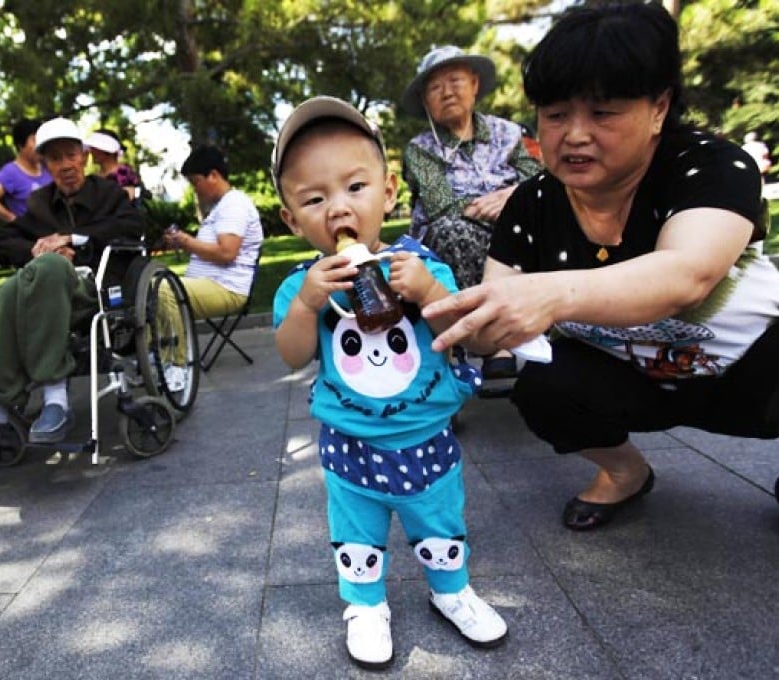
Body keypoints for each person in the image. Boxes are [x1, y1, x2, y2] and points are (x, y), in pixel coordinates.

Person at [422, 3, 779, 531]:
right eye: (556, 114)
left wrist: (549, 295)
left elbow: (687, 274)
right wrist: (454, 315)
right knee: (542, 386)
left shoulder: (709, 165)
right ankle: (625, 473)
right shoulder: (533, 203)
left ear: (658, 108)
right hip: (638, 380)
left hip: (758, 372)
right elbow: (494, 334)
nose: (574, 134)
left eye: (603, 112)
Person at [272, 96, 507, 669]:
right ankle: (365, 605)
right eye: (314, 198)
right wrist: (307, 302)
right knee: (355, 533)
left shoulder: (423, 268)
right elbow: (292, 354)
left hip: (427, 438)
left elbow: (464, 333)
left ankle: (451, 590)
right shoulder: (305, 286)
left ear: (390, 191)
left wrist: (427, 292)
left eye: (355, 187)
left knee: (440, 521)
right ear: (290, 219)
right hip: (350, 445)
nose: (338, 208)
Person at [0, 117, 146, 450]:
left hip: (92, 291)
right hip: (46, 293)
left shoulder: (107, 192)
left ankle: (56, 400)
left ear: (83, 156)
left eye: (71, 155)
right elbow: (5, 241)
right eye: (56, 158)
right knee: (9, 288)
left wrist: (74, 239)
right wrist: (36, 247)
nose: (66, 165)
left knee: (50, 267)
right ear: (46, 164)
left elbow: (134, 223)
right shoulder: (39, 203)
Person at [400, 44, 543, 379]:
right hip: (456, 236)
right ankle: (491, 342)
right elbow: (442, 205)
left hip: (520, 227)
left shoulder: (507, 133)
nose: (447, 91)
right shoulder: (420, 150)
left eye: (455, 80)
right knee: (452, 230)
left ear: (474, 84)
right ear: (425, 101)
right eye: (435, 87)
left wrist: (513, 196)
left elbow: (538, 183)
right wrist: (503, 204)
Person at [162, 145, 263, 321]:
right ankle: (157, 348)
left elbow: (227, 253)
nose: (195, 189)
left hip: (226, 288)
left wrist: (185, 241)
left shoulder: (234, 204)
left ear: (214, 176)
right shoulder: (222, 206)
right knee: (152, 288)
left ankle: (177, 349)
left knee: (162, 292)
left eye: (196, 182)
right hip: (213, 284)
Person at [0, 118, 52, 223]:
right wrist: (15, 220)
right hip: (30, 236)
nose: (39, 145)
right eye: (34, 140)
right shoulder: (11, 172)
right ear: (20, 145)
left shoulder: (48, 166)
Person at [84, 129, 143, 202]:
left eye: (95, 147)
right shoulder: (92, 179)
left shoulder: (125, 174)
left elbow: (138, 196)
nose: (91, 151)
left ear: (107, 149)